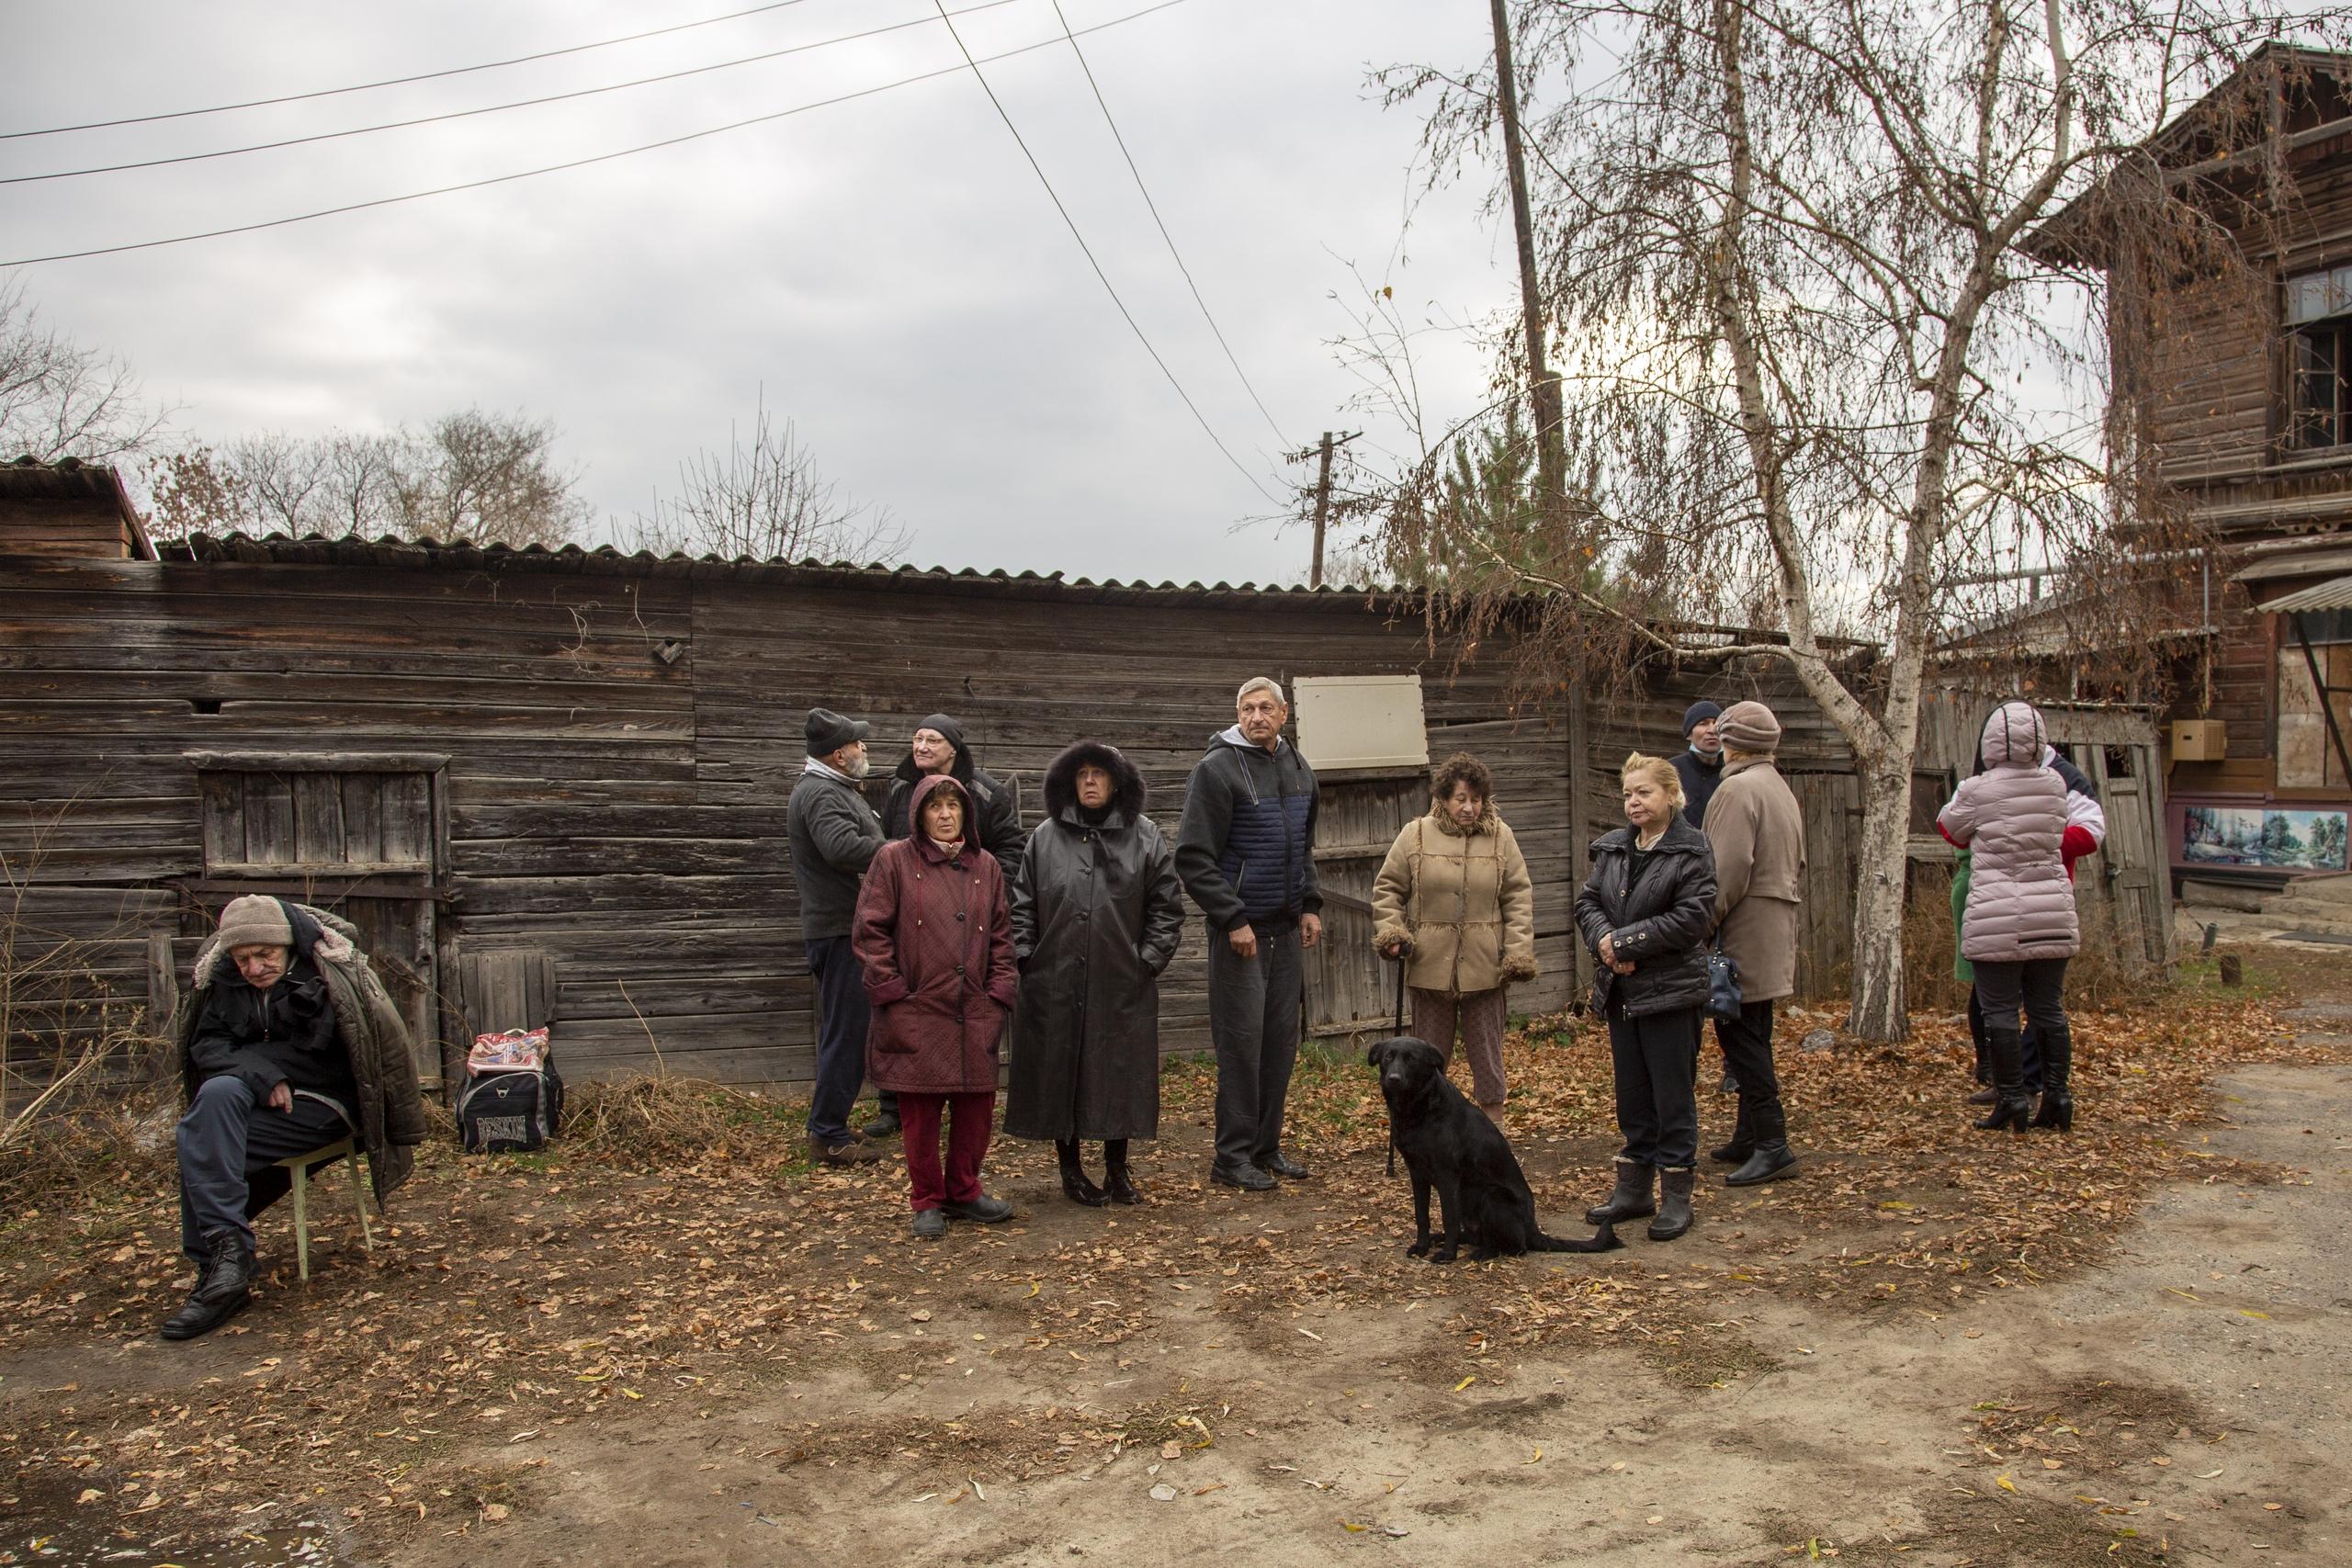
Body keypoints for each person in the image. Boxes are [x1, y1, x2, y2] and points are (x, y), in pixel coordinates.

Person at [164, 895, 425, 1339]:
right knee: (216, 1094)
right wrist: (261, 1074)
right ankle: (228, 1265)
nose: (254, 967)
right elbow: (206, 1047)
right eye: (243, 958)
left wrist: (256, 1064)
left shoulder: (328, 977)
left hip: (326, 1104)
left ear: (287, 946)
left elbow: (345, 1058)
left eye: (265, 954)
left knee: (200, 1141)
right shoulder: (224, 985)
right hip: (256, 1101)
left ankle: (217, 1269)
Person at [1004, 740, 1186, 1205]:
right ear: (1069, 781)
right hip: (1055, 979)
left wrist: (1146, 960)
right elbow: (1021, 904)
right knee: (1060, 1070)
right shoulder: (1044, 837)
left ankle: (1117, 1168)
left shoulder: (1144, 836)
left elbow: (1166, 907)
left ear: (1116, 783)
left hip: (1120, 980)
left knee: (1117, 1072)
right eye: (1081, 774)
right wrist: (1027, 957)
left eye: (1099, 774)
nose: (1089, 781)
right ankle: (1070, 1170)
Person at [853, 774, 1021, 1238]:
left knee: (976, 1109)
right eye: (935, 807)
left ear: (966, 812)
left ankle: (964, 1191)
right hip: (918, 1010)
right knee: (920, 1114)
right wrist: (892, 992)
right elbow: (870, 930)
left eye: (953, 806)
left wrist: (1000, 992)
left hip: (975, 1010)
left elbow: (1004, 939)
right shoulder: (894, 860)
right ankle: (926, 1199)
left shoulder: (987, 865)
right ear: (919, 813)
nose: (946, 815)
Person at [1174, 676, 1323, 1192]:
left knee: (1279, 1044)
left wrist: (1309, 904)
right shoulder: (1215, 770)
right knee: (1241, 1045)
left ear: (1284, 715)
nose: (1256, 716)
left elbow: (1302, 846)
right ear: (1236, 714)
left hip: (1285, 930)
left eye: (1265, 708)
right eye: (1246, 708)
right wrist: (1232, 918)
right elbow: (1193, 858)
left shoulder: (1299, 767)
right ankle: (1231, 1157)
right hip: (1242, 934)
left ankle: (1265, 1148)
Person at [1575, 754, 1718, 1243]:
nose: (1634, 802)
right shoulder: (1614, 849)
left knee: (1672, 1096)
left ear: (1670, 796)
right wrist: (1604, 944)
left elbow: (1693, 918)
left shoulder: (1692, 849)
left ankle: (1677, 1195)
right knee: (1633, 1096)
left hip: (1673, 993)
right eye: (1628, 794)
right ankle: (1634, 1189)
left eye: (1644, 793)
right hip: (1623, 992)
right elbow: (1588, 901)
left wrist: (1626, 942)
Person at [869, 714, 1025, 1140]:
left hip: (966, 922)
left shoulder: (985, 792)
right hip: (912, 919)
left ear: (953, 749)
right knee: (902, 1018)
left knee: (962, 1022)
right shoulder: (901, 790)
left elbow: (1012, 847)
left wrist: (988, 893)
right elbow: (886, 844)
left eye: (931, 740)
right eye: (916, 739)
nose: (920, 746)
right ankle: (893, 1104)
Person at [1938, 701, 2091, 1134]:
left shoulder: (1976, 789)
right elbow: (2066, 831)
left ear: (1989, 742)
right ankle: (2058, 1097)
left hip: (1996, 911)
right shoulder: (2056, 785)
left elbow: (1949, 829)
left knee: (2000, 1009)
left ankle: (2011, 1100)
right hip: (2052, 908)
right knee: (2048, 1008)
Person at [1370, 751, 1537, 1127]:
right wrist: (1393, 932)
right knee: (1422, 1063)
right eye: (1461, 798)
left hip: (1485, 970)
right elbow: (1388, 891)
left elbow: (1518, 899)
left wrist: (1517, 954)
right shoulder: (1414, 834)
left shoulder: (1501, 837)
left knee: (1488, 1062)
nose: (1469, 807)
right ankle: (1423, 1137)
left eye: (1476, 799)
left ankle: (1494, 1140)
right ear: (1443, 797)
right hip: (1430, 969)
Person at [1959, 739, 2103, 1105]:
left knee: (2036, 1004)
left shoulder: (2063, 777)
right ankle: (2009, 1083)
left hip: (2041, 904)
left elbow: (2091, 832)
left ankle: (2029, 1087)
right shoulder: (1990, 778)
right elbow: (1953, 830)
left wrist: (2036, 843)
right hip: (2003, 905)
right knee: (1992, 1000)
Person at [1701, 701, 1806, 1187]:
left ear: (1731, 742)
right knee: (1753, 1032)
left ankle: (1772, 1143)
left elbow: (1726, 870)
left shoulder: (1737, 789)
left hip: (1742, 927)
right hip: (1774, 924)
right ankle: (1749, 1135)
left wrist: (1702, 924)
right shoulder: (1778, 787)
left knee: (1740, 1038)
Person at [786, 705, 887, 1167]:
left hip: (844, 928)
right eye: (856, 742)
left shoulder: (834, 788)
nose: (863, 747)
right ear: (838, 754)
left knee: (847, 1030)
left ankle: (833, 1126)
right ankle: (827, 1134)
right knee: (846, 1033)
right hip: (840, 930)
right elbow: (842, 848)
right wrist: (902, 849)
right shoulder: (821, 793)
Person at [1670, 700, 1728, 829]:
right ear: (1689, 734)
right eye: (1703, 724)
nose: (1712, 730)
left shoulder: (1734, 771)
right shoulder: (1671, 771)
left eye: (1716, 723)